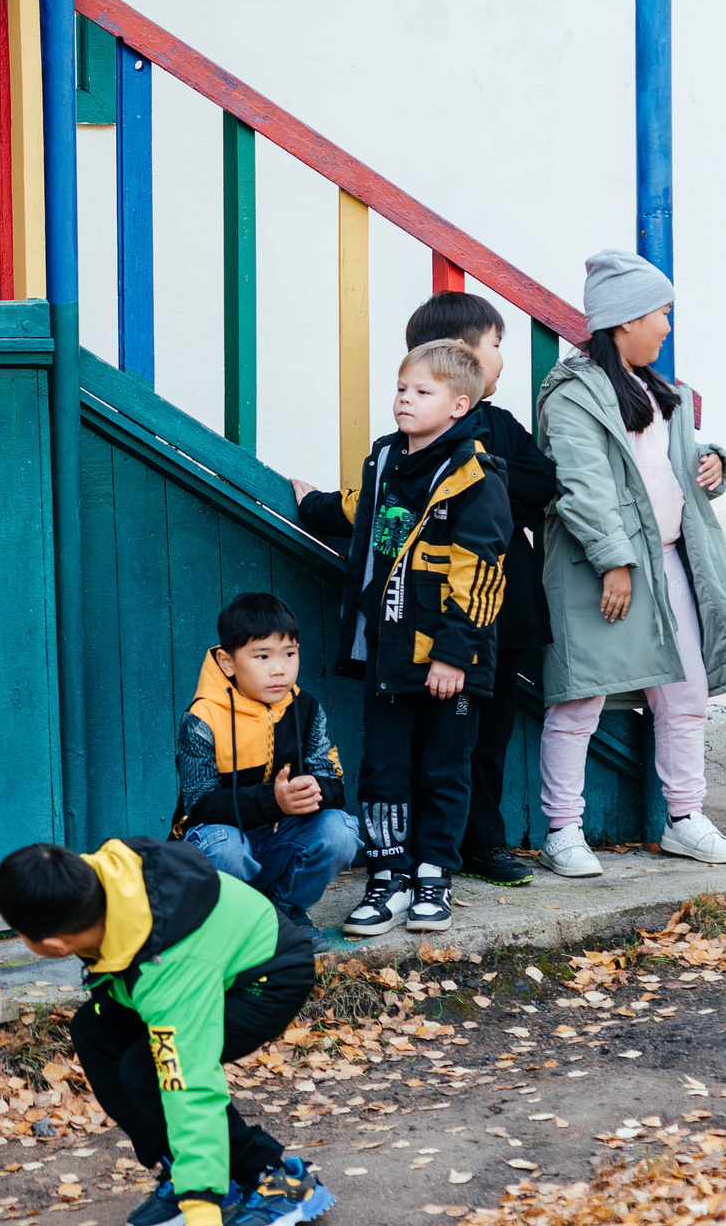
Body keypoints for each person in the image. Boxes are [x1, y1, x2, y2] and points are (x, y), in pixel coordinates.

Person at [0, 838, 332, 1226]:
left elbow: (190, 1084)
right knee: (93, 1032)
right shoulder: (99, 874)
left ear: (54, 945)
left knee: (149, 1070)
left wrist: (202, 1216)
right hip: (198, 959)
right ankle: (183, 1164)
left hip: (265, 976)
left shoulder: (169, 973)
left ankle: (278, 1181)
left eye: (21, 932)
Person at [534, 251, 726, 877]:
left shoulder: (656, 390)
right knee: (579, 700)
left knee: (685, 694)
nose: (667, 327)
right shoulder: (573, 395)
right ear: (624, 320)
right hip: (601, 568)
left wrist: (714, 461)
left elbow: (668, 465)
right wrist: (615, 562)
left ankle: (684, 818)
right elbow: (581, 484)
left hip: (668, 562)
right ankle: (562, 830)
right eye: (661, 314)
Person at [294, 340, 511, 938]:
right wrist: (310, 503)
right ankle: (386, 877)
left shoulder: (475, 473)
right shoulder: (385, 458)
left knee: (444, 766)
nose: (405, 400)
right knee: (385, 767)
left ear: (460, 405)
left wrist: (453, 653)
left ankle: (433, 875)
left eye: (423, 392)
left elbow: (482, 569)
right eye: (401, 389)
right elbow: (361, 512)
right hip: (388, 650)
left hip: (449, 660)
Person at [402, 291, 560, 887]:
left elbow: (542, 481)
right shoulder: (414, 433)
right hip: (437, 615)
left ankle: (484, 842)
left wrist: (480, 477)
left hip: (507, 605)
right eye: (496, 345)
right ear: (462, 351)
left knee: (490, 733)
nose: (501, 358)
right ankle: (431, 843)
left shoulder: (497, 427)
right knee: (437, 738)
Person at [170, 592, 358, 917]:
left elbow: (334, 784)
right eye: (262, 657)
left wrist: (313, 790)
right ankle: (233, 926)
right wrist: (274, 800)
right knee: (224, 846)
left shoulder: (306, 708)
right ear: (227, 663)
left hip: (278, 841)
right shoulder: (203, 718)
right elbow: (199, 805)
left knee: (341, 830)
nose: (279, 670)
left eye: (289, 654)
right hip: (219, 845)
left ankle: (285, 916)